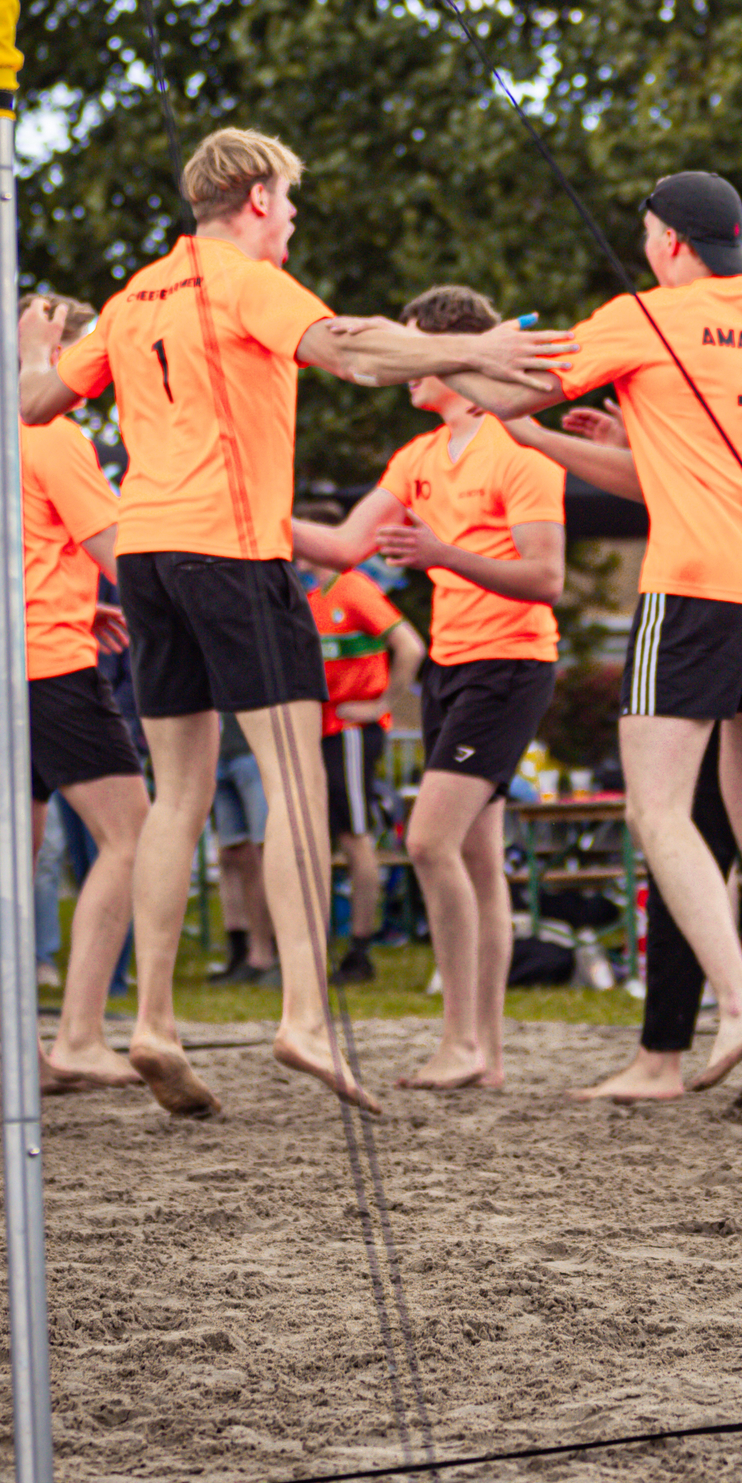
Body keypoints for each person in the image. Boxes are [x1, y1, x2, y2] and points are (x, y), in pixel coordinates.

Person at [18, 122, 570, 1117]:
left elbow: (34, 401)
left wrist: (33, 346)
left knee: (175, 794)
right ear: (258, 198)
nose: (294, 224)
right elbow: (351, 351)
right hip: (230, 551)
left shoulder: (139, 291)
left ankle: (150, 1021)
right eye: (291, 205)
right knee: (293, 782)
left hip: (145, 554)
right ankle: (304, 1016)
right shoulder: (242, 277)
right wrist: (472, 345)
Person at [466, 171, 742, 1107]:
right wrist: (581, 441)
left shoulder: (645, 315)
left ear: (668, 242)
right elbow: (681, 471)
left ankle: (737, 1008)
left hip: (696, 587)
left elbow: (505, 395)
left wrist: (440, 358)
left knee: (657, 811)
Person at [510, 240, 742, 1102]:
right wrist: (637, 435)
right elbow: (703, 472)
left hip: (719, 603)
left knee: (676, 830)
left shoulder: (677, 331)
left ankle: (680, 1042)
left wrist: (507, 400)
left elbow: (691, 489)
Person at [293, 281, 566, 1088]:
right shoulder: (417, 456)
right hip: (455, 663)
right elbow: (344, 546)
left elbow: (547, 577)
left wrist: (445, 554)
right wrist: (242, 518)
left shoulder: (516, 444)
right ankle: (484, 1054)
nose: (404, 367)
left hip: (510, 663)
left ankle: (461, 1044)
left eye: (413, 346)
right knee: (476, 861)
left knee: (426, 842)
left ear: (454, 349)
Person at [0, 295, 149, 1087]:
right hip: (46, 665)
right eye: (84, 348)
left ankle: (22, 1056)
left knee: (6, 865)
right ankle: (83, 1037)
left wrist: (69, 596)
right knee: (135, 837)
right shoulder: (55, 433)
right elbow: (122, 554)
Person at [298, 558, 426, 989]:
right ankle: (313, 947)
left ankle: (360, 949)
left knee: (355, 836)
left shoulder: (352, 589)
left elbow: (410, 646)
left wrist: (381, 705)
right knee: (318, 834)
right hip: (319, 729)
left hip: (351, 730)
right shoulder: (306, 596)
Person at [209, 711, 277, 982]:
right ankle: (256, 953)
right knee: (238, 855)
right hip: (221, 750)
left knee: (268, 851)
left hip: (254, 748)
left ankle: (284, 954)